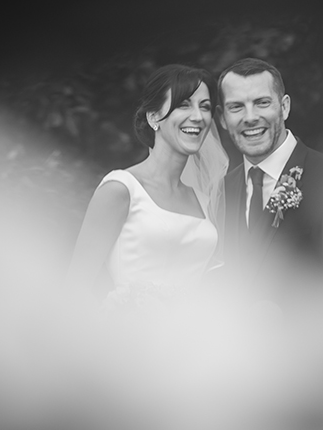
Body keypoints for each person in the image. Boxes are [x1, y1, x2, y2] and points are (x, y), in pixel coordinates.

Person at [68, 64, 229, 303]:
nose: (198, 116)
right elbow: (75, 288)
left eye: (204, 107)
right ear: (154, 117)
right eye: (184, 104)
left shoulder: (205, 200)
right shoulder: (121, 189)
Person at [216, 57, 323, 288]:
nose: (250, 117)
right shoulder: (222, 189)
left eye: (262, 102)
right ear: (223, 118)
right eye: (236, 107)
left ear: (284, 107)